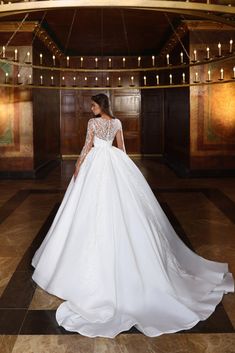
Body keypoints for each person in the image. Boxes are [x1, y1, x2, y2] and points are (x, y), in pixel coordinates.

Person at [31, 93, 234, 338]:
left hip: (96, 163)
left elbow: (87, 146)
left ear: (100, 105)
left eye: (93, 105)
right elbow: (122, 149)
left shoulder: (93, 123)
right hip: (115, 163)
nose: (91, 109)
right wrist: (126, 172)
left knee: (91, 208)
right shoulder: (117, 123)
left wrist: (77, 166)